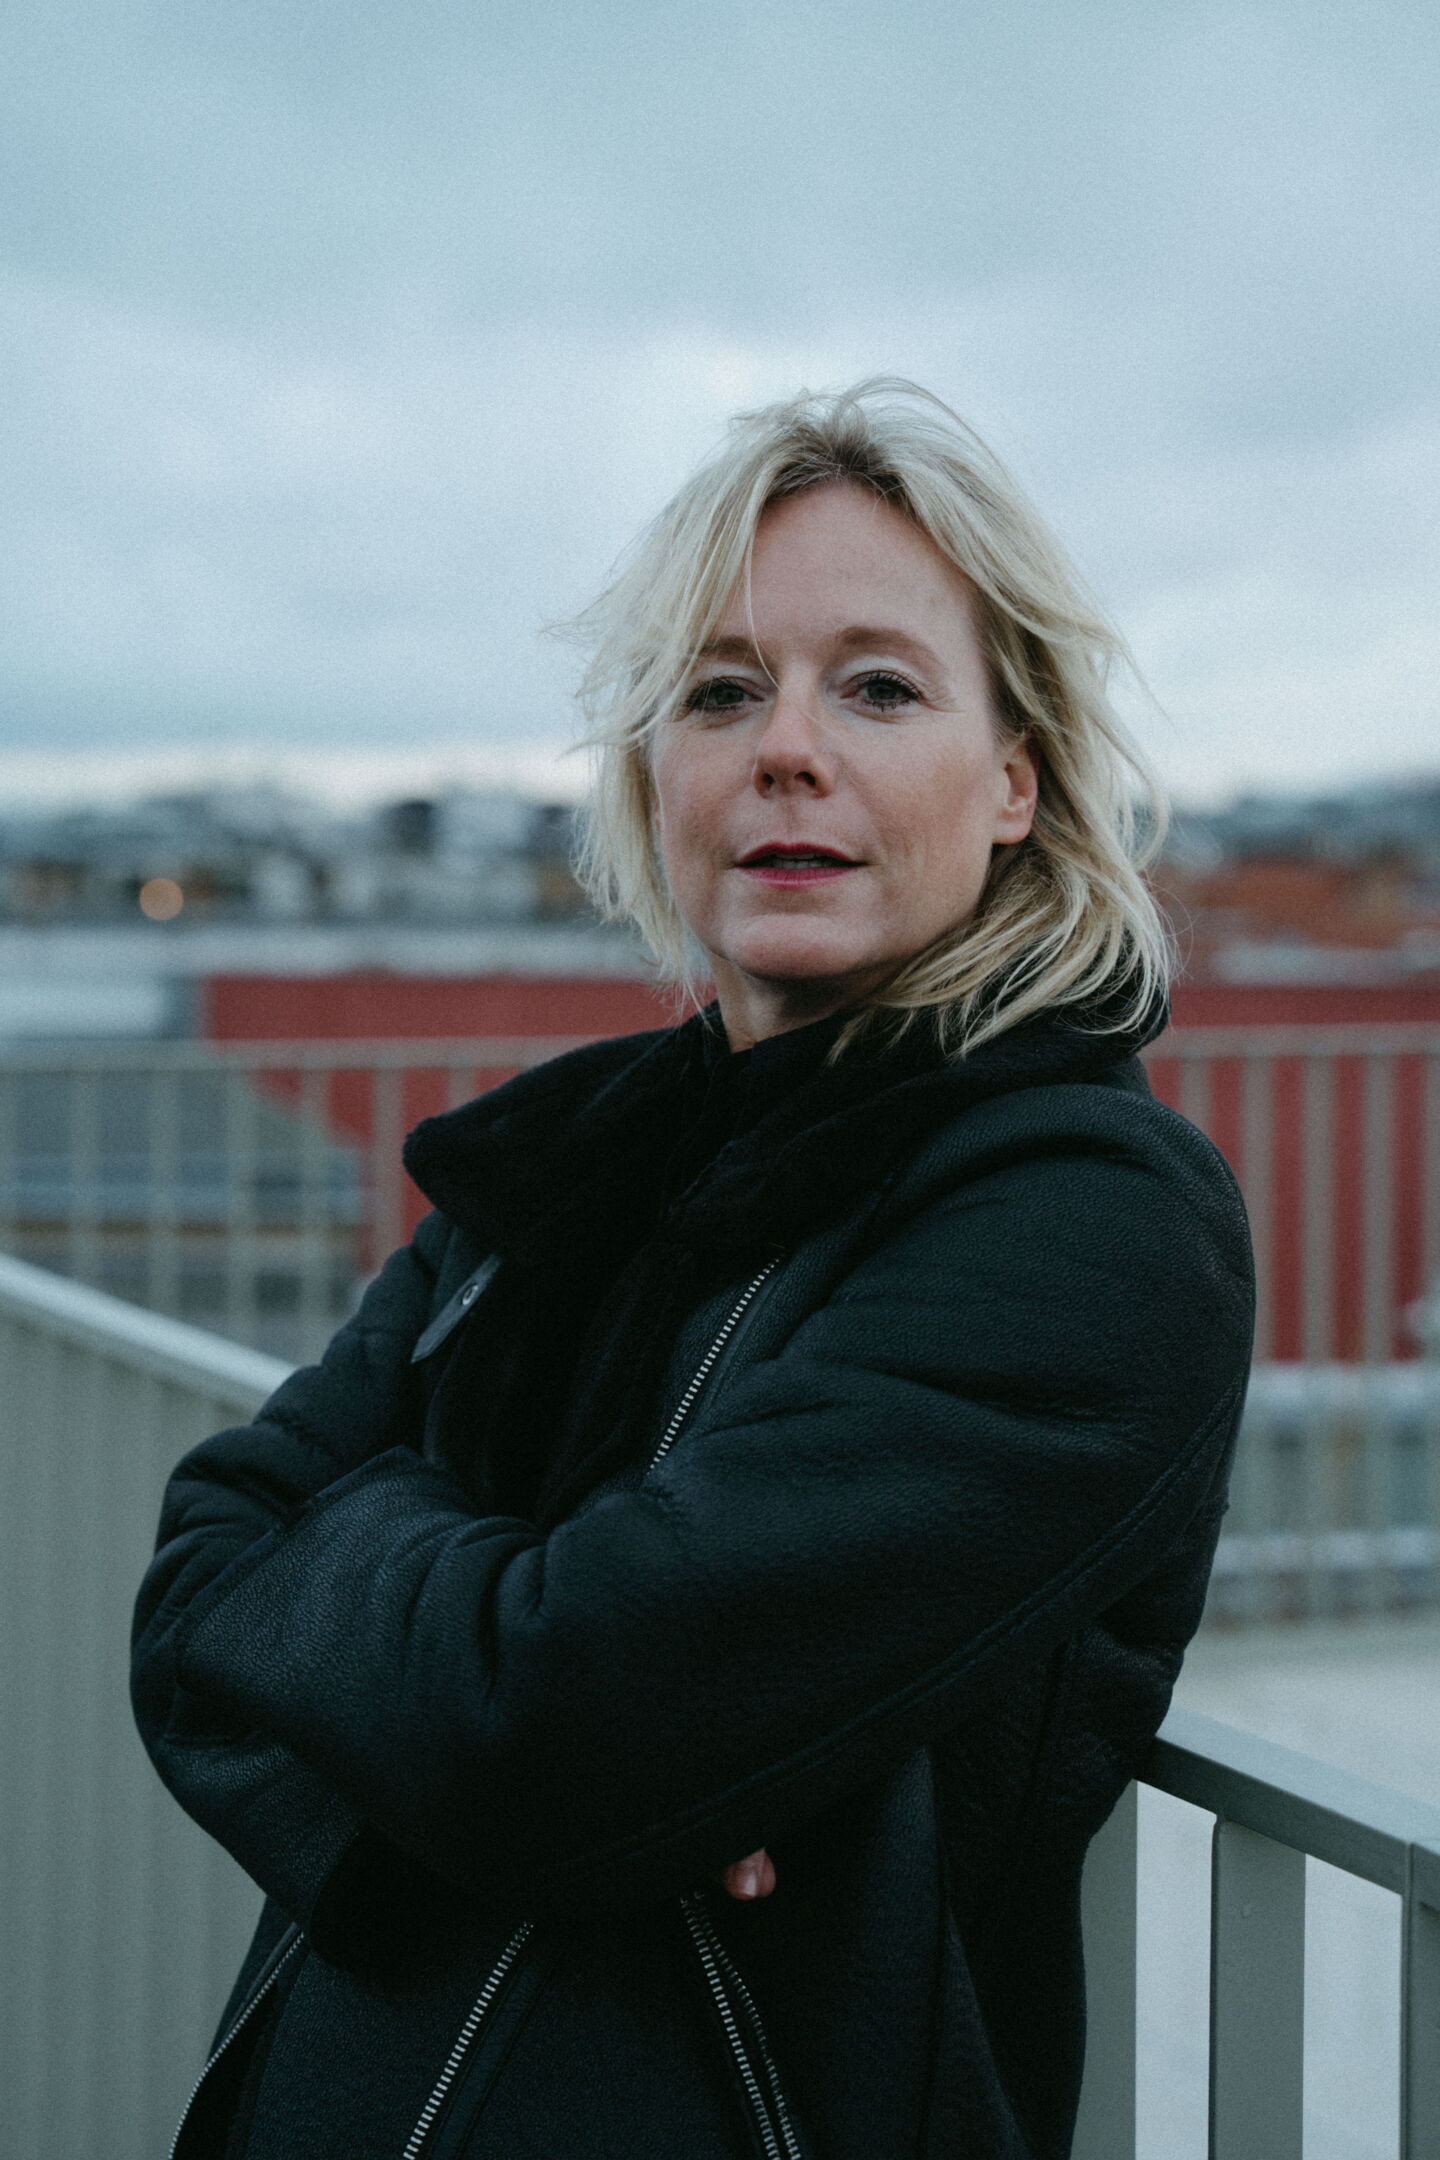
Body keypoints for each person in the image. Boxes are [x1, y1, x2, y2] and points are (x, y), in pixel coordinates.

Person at [131, 378, 1254, 2160]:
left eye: (878, 687)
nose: (783, 748)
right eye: (722, 691)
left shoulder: (1090, 1218)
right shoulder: (569, 1155)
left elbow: (554, 1717)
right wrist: (518, 1701)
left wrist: (377, 1603)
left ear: (1019, 778)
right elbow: (193, 1594)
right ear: (654, 764)